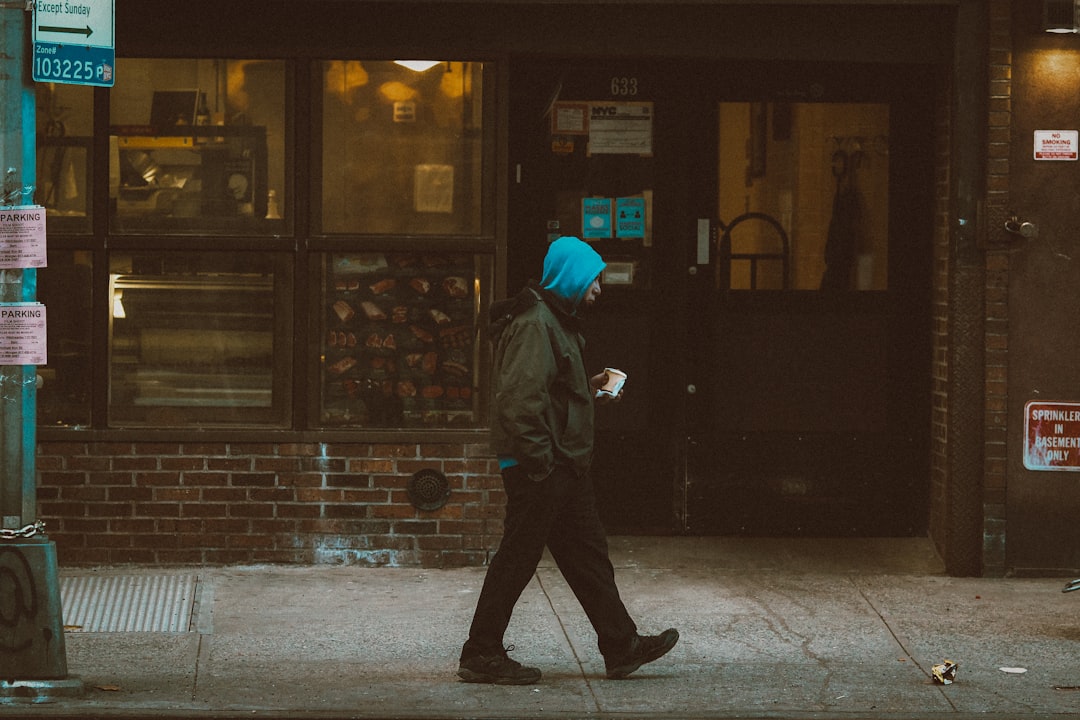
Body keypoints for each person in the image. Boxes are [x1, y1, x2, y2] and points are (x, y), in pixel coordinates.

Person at [457, 235, 679, 685]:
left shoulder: (554, 321)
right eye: (593, 281)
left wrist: (587, 385)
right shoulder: (536, 323)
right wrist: (542, 466)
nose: (598, 290)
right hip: (543, 467)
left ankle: (620, 644)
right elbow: (519, 402)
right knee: (518, 559)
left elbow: (548, 392)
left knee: (588, 556)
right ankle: (481, 653)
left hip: (560, 465)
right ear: (573, 276)